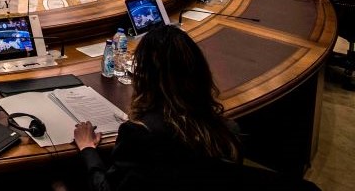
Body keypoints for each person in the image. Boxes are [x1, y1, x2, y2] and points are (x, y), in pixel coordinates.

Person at [74, 25, 315, 190]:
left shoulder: (139, 134)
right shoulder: (225, 128)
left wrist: (87, 149)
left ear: (145, 76)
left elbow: (106, 187)